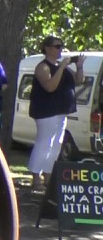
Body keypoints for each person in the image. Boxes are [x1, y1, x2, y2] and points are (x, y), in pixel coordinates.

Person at [27, 36, 81, 191]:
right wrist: (61, 68)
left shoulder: (62, 66)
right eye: (57, 46)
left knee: (56, 145)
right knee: (44, 143)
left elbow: (78, 81)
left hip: (61, 112)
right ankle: (36, 177)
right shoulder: (43, 67)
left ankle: (48, 176)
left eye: (61, 46)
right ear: (47, 48)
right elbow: (50, 86)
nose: (60, 49)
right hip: (46, 112)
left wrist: (80, 66)